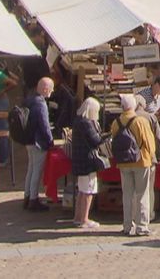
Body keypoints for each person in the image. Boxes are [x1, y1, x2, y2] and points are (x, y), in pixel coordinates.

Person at [110, 94, 156, 236]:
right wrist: (151, 155)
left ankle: (127, 225)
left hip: (123, 163)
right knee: (142, 194)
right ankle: (142, 226)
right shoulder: (140, 121)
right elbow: (150, 143)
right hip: (141, 161)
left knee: (127, 194)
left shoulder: (116, 122)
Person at [69, 97, 105, 229]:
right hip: (87, 162)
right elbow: (96, 141)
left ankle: (78, 217)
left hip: (80, 160)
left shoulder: (78, 121)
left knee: (82, 191)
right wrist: (106, 136)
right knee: (88, 191)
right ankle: (84, 219)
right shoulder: (87, 123)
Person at [23, 77, 55, 211]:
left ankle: (27, 195)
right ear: (46, 89)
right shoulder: (41, 103)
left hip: (28, 140)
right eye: (51, 90)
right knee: (37, 170)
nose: (52, 92)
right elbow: (44, 125)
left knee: (31, 168)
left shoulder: (30, 99)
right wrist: (50, 141)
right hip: (38, 142)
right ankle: (33, 199)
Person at [0, 62, 19, 166]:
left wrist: (3, 91)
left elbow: (15, 83)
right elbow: (16, 79)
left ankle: (3, 159)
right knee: (1, 129)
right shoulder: (1, 73)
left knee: (0, 130)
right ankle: (4, 157)